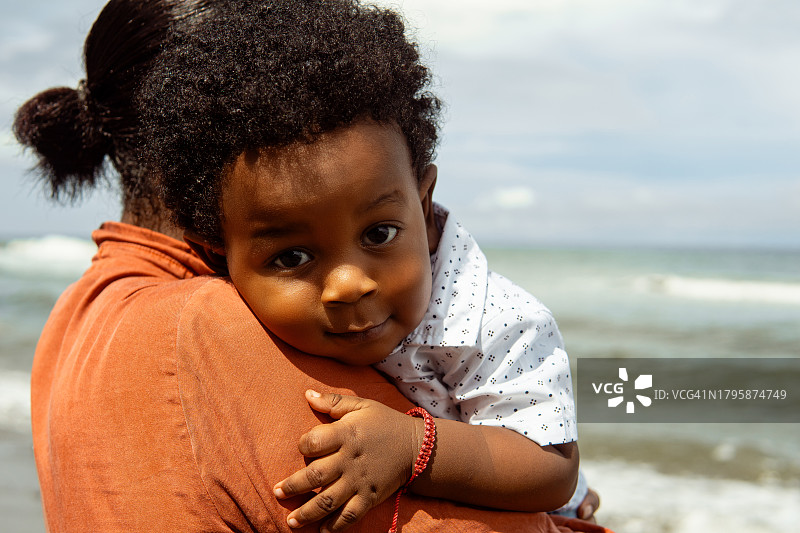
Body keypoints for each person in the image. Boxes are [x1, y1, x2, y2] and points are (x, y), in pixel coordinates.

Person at [15, 0, 603, 531]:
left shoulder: (73, 317)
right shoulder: (208, 328)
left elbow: (549, 462)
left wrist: (429, 450)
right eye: (293, 256)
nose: (348, 284)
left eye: (378, 233)